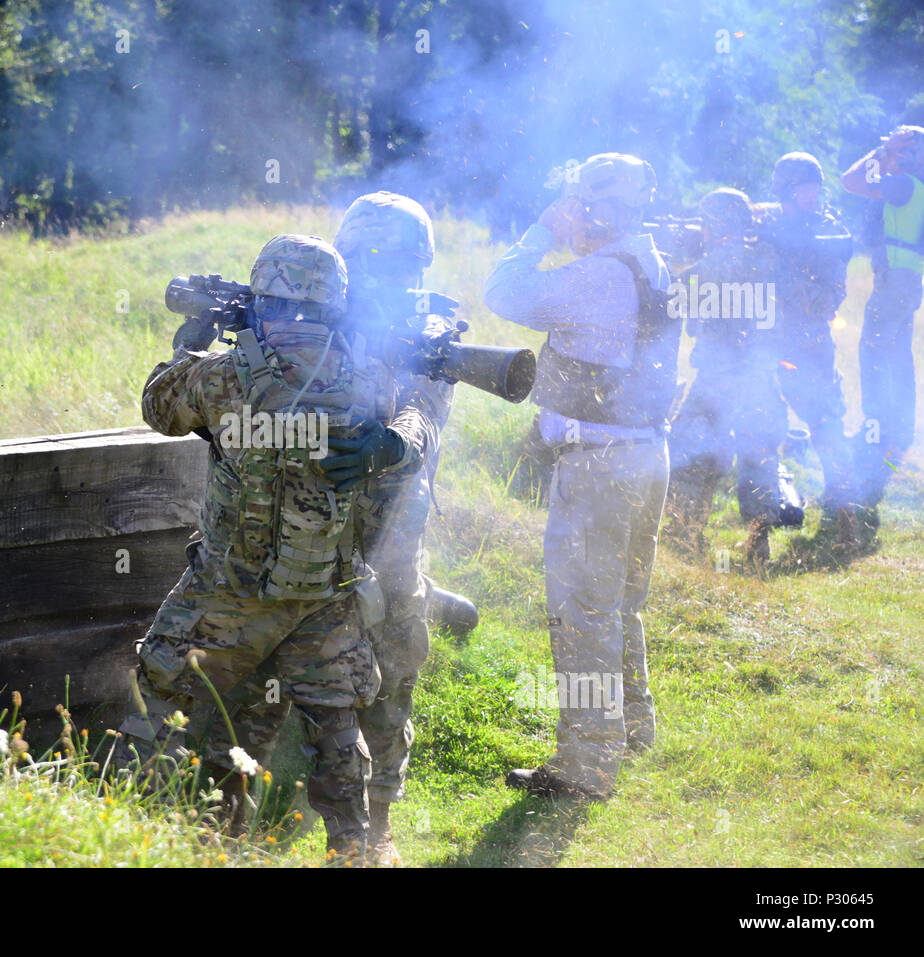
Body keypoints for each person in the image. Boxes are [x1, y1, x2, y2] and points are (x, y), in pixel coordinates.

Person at [116, 234, 437, 857]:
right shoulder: (370, 379)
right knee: (338, 737)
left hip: (229, 594)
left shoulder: (220, 377)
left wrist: (194, 340)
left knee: (159, 708)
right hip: (327, 594)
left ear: (260, 298)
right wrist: (392, 442)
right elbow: (416, 421)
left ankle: (155, 839)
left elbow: (158, 403)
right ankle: (360, 850)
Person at [214, 192, 465, 866]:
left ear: (420, 266)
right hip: (303, 523)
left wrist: (393, 444)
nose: (383, 277)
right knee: (265, 661)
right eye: (368, 262)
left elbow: (426, 411)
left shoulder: (431, 328)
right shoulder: (322, 307)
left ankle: (376, 826)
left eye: (399, 264)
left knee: (390, 665)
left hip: (388, 529)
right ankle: (234, 814)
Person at [484, 152, 675, 799]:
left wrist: (542, 229)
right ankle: (633, 726)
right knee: (618, 604)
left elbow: (502, 291)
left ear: (594, 207)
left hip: (600, 465)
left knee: (581, 614)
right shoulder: (649, 260)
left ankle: (587, 765)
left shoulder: (598, 275)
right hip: (647, 455)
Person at [662, 188, 799, 562]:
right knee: (760, 459)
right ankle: (758, 544)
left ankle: (685, 532)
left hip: (716, 382)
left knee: (690, 456)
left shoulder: (703, 270)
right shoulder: (770, 260)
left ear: (712, 226)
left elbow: (676, 315)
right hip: (761, 381)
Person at [754, 152, 859, 553]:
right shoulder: (768, 226)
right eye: (804, 187)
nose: (812, 194)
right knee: (760, 417)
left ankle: (843, 498)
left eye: (816, 187)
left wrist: (796, 292)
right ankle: (765, 500)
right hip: (767, 338)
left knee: (825, 417)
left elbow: (831, 292)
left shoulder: (827, 231)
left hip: (808, 342)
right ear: (786, 189)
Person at [841, 126, 924, 536]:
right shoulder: (912, 184)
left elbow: (851, 181)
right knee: (895, 357)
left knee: (874, 356)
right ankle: (898, 429)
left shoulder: (905, 184)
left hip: (894, 283)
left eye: (899, 151)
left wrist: (880, 149)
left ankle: (875, 432)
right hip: (905, 281)